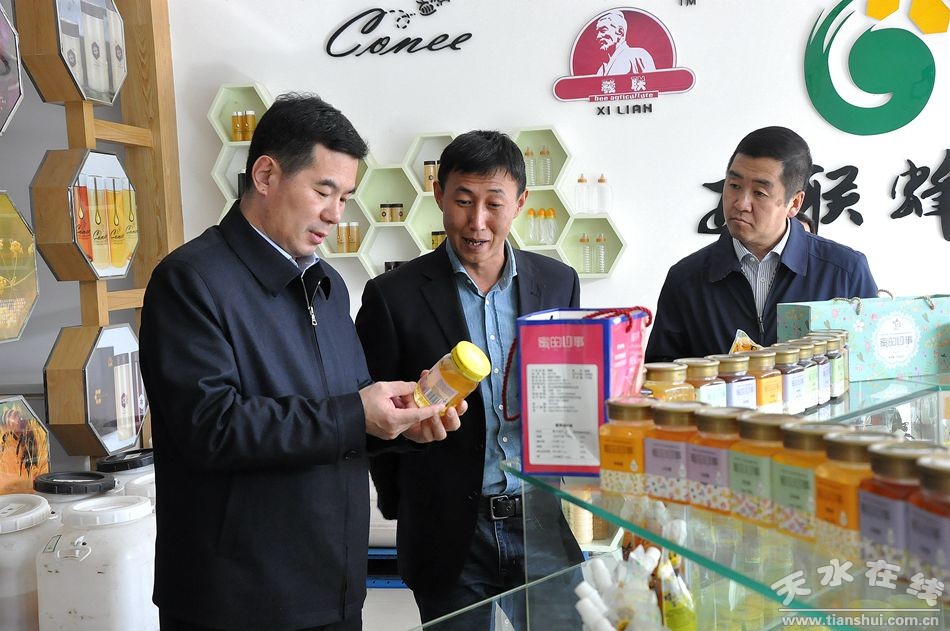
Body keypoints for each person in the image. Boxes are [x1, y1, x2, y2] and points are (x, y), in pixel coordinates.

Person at [139, 93, 459, 631]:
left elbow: (343, 412)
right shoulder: (189, 281)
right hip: (237, 602)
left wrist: (403, 423)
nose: (336, 214)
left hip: (333, 589)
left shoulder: (327, 285)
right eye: (323, 191)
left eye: (345, 196)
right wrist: (357, 414)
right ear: (266, 175)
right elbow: (211, 428)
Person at [355, 130, 584, 629]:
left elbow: (569, 391)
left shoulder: (557, 283)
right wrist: (405, 499)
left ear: (520, 203)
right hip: (446, 529)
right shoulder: (392, 296)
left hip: (541, 519)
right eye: (462, 201)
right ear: (439, 195)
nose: (477, 222)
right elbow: (370, 423)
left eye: (494, 204)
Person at [646, 126, 878, 362]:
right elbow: (661, 371)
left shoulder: (845, 272)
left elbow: (871, 366)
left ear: (794, 203)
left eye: (759, 193)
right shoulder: (685, 279)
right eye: (734, 186)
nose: (741, 203)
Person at [594, 9, 656, 76]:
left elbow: (653, 81)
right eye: (597, 33)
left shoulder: (638, 55)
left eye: (603, 30)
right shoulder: (602, 70)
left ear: (620, 32)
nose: (598, 37)